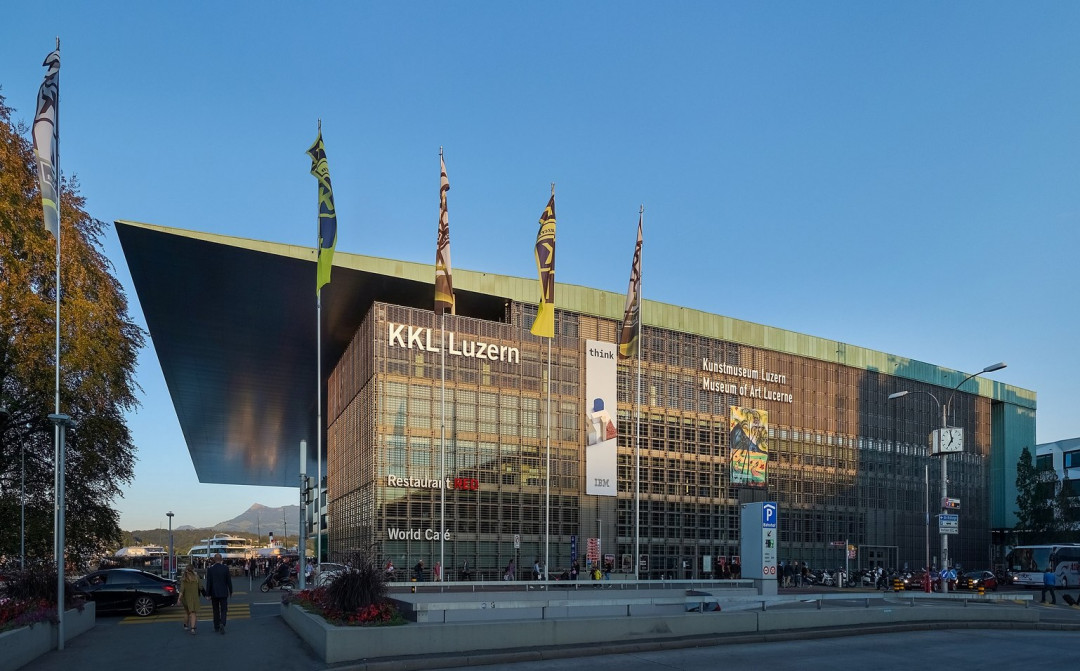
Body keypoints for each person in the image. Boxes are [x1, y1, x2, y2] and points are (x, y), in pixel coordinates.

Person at [205, 552, 233, 634]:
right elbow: (228, 581)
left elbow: (209, 582)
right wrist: (230, 591)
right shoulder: (225, 568)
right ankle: (222, 623)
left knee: (215, 610)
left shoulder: (210, 569)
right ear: (221, 559)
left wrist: (207, 594)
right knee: (224, 609)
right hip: (223, 592)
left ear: (214, 560)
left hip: (214, 592)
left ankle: (216, 626)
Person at [179, 564, 201, 635]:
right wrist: (206, 595)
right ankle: (192, 628)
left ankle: (185, 625)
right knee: (193, 612)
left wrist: (179, 599)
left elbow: (181, 590)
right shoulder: (197, 578)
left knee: (187, 612)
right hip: (194, 598)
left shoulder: (183, 578)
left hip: (185, 599)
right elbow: (201, 587)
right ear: (193, 569)